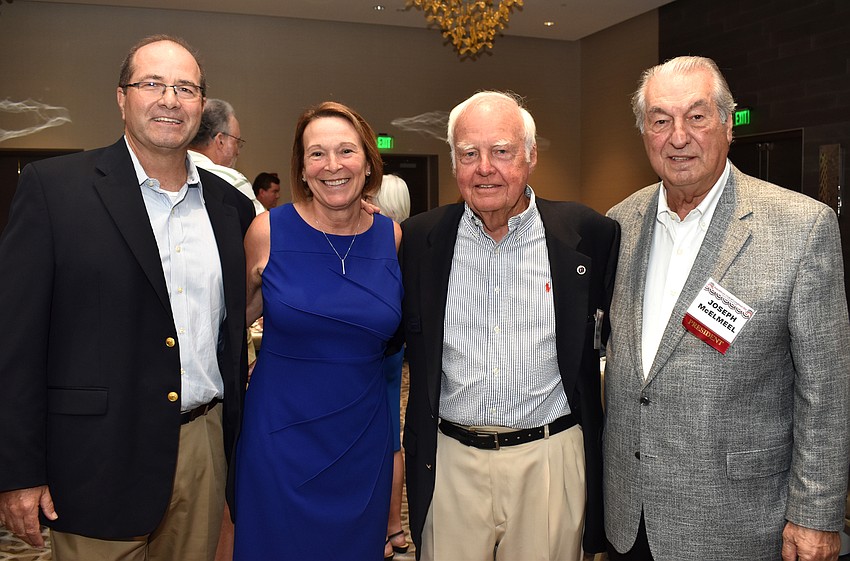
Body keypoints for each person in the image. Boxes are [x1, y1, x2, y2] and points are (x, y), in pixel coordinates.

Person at [0, 35, 254, 561]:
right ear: (121, 97)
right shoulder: (56, 189)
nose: (169, 99)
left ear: (201, 105)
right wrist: (17, 470)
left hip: (203, 449)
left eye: (185, 88)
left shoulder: (231, 207)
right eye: (152, 83)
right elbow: (15, 342)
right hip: (95, 456)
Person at [604, 55, 850, 561]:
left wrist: (816, 513)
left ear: (727, 124)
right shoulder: (620, 223)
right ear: (644, 132)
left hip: (739, 521)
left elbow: (826, 390)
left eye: (696, 117)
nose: (678, 137)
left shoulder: (801, 228)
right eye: (660, 120)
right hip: (631, 515)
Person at [399, 91, 619, 560]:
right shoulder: (419, 240)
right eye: (469, 154)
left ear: (530, 156)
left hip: (548, 459)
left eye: (501, 151)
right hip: (450, 460)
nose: (485, 168)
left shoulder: (587, 235)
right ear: (454, 161)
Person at [234, 101, 403, 560]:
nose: (332, 165)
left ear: (368, 162)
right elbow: (233, 321)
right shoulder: (267, 231)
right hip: (280, 436)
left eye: (346, 151)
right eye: (317, 154)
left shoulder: (390, 237)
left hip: (362, 437)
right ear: (302, 168)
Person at [372, 174, 412, 560]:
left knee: (375, 441)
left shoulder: (380, 238)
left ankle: (378, 532)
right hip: (396, 349)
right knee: (392, 441)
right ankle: (395, 528)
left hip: (377, 350)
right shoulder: (409, 238)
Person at [189, 98, 265, 215]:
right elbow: (265, 226)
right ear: (220, 140)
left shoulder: (172, 173)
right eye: (237, 142)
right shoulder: (232, 182)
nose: (238, 152)